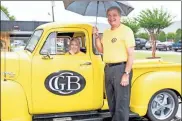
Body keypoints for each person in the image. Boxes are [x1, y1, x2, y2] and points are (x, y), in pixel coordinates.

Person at [93, 6, 135, 121]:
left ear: (120, 16)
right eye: (109, 15)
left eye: (114, 15)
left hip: (121, 68)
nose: (111, 18)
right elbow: (101, 50)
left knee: (121, 102)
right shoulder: (106, 33)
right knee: (112, 101)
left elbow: (131, 54)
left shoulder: (126, 31)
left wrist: (126, 73)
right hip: (108, 69)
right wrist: (96, 36)